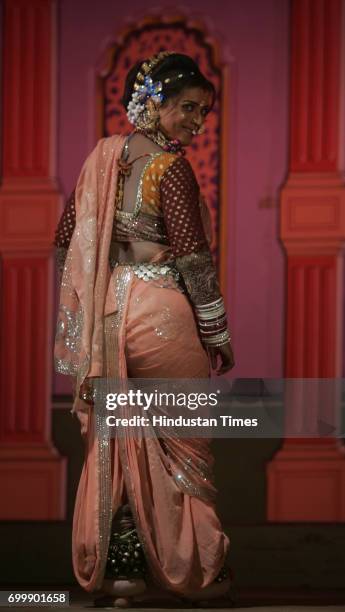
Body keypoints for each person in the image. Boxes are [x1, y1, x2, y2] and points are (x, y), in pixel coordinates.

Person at [54, 51, 235, 608]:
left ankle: (123, 573)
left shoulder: (103, 159)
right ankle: (194, 569)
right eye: (187, 107)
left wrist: (112, 270)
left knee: (120, 439)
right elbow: (193, 257)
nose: (196, 122)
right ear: (153, 100)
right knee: (184, 442)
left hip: (111, 314)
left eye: (203, 113)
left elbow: (68, 234)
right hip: (161, 312)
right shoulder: (170, 166)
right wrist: (217, 330)